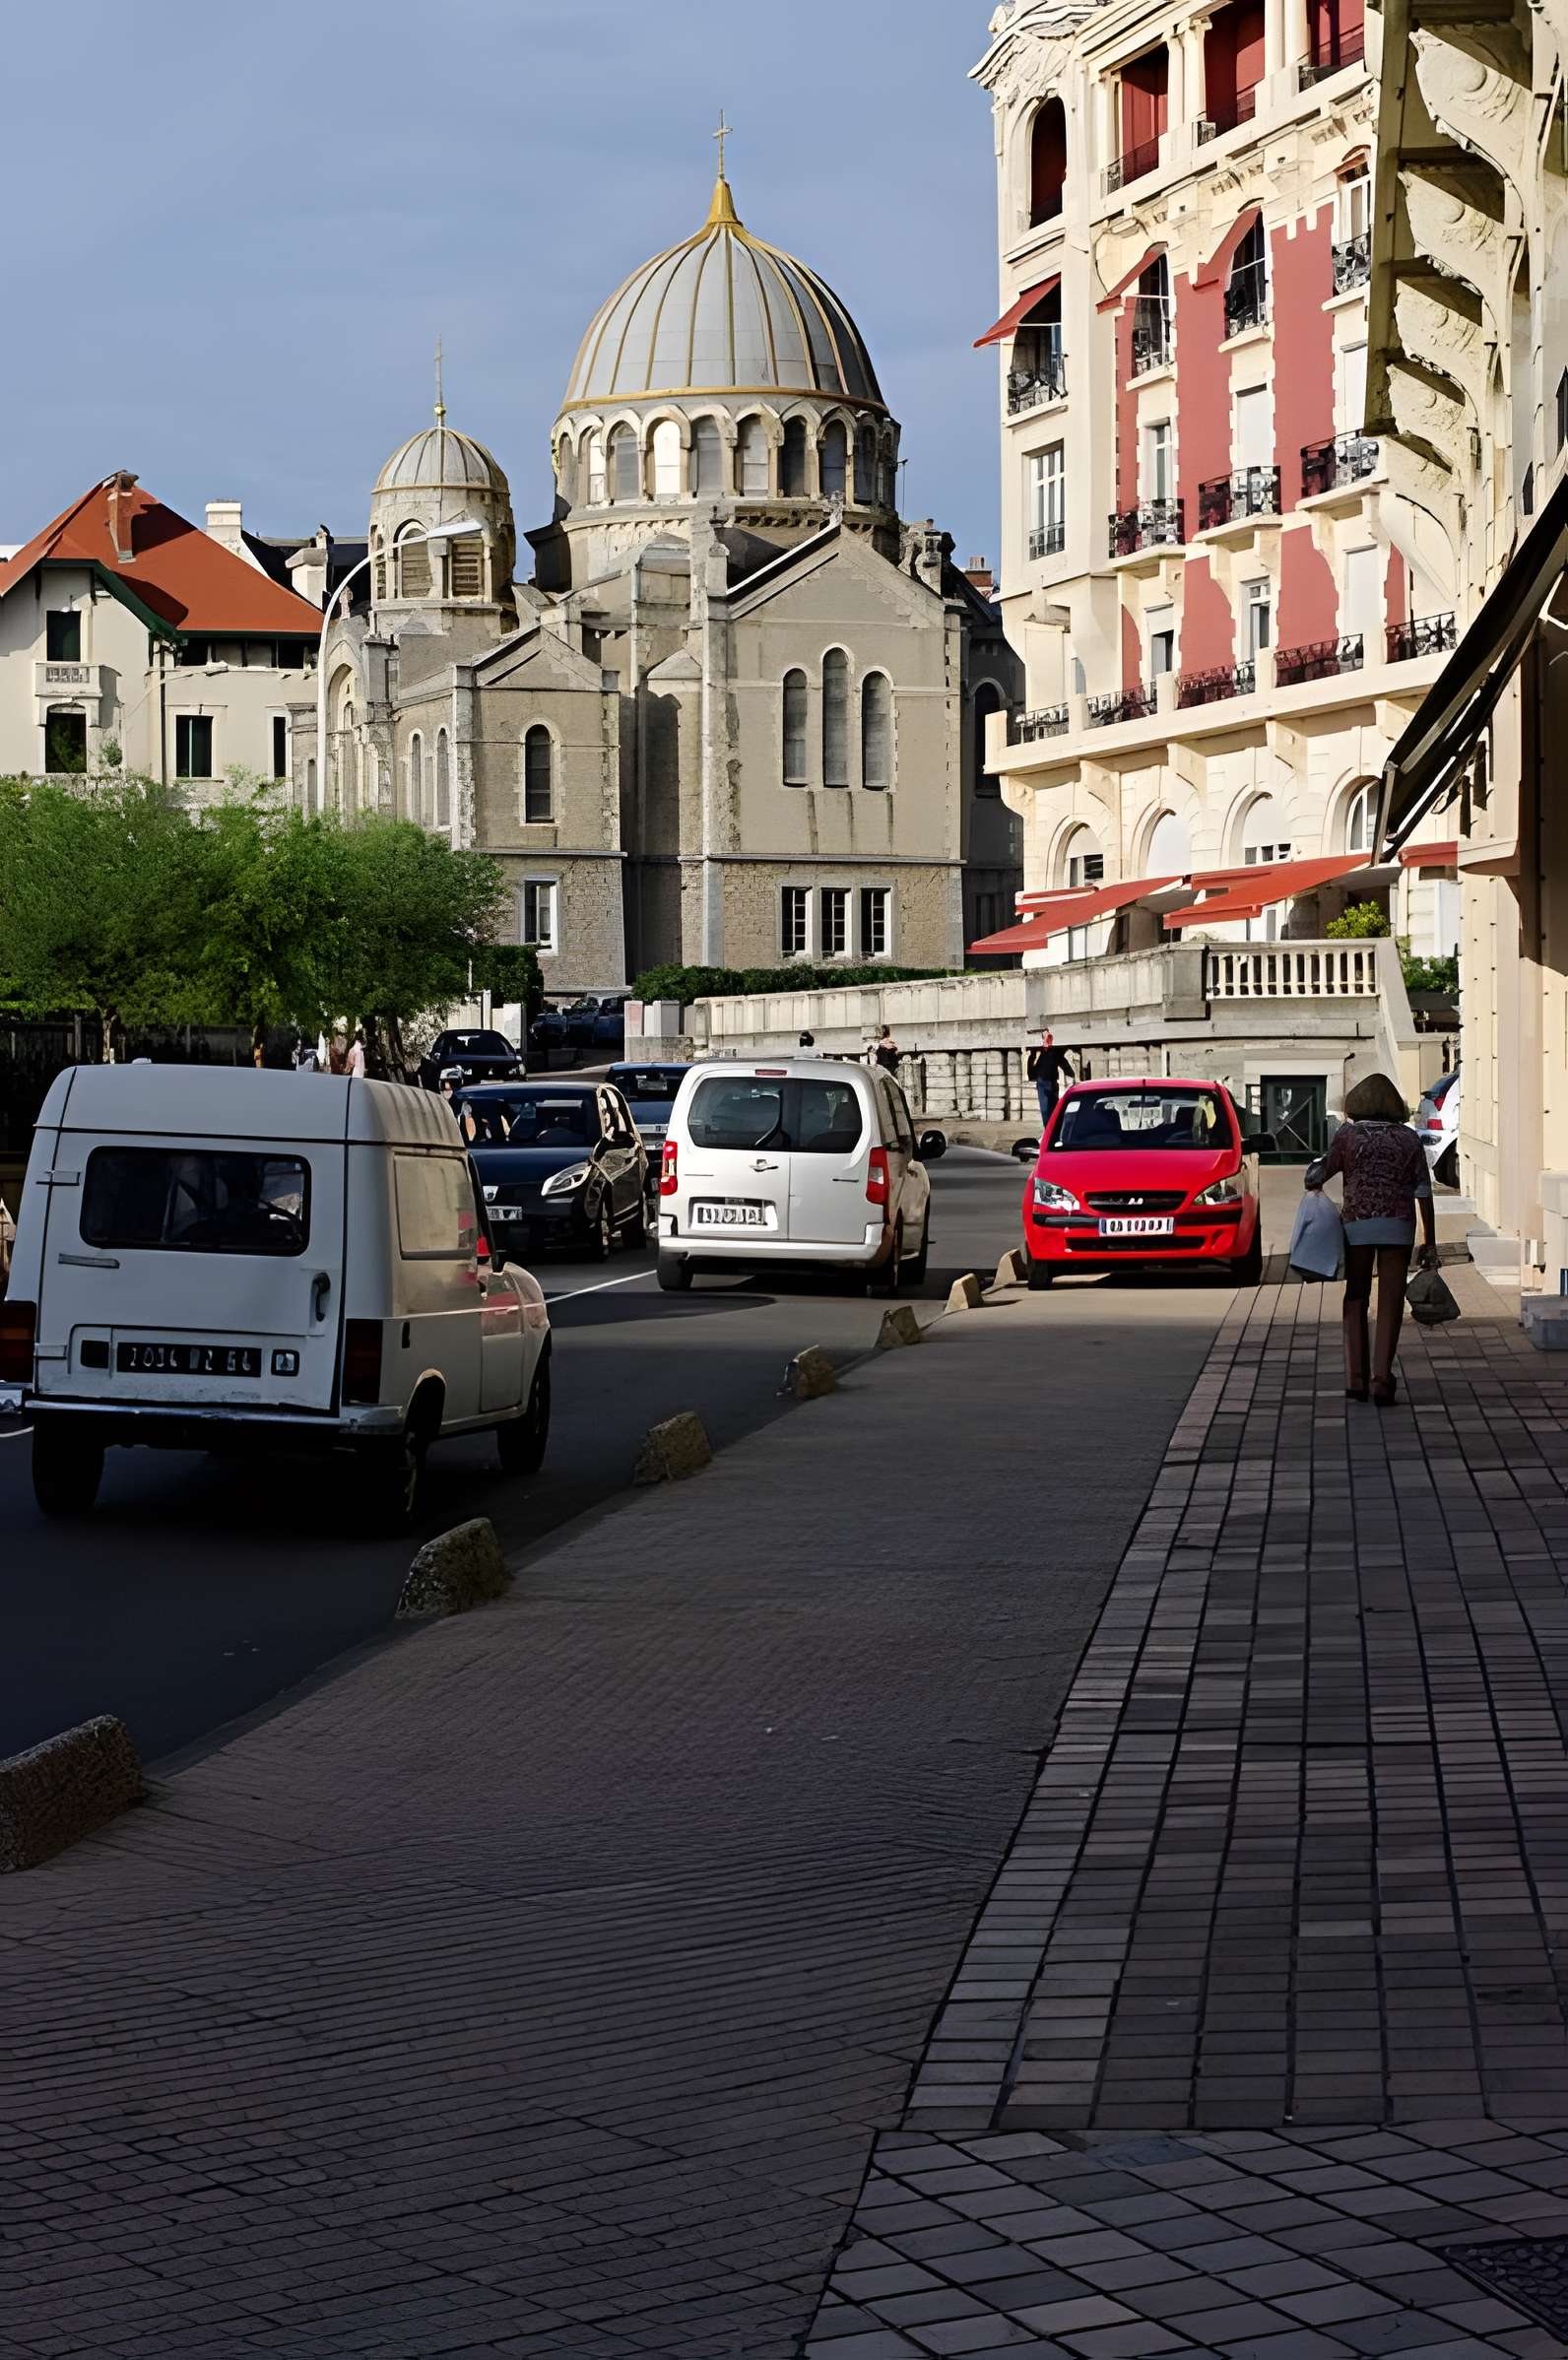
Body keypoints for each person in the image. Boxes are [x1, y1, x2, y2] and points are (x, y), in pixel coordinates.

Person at [1306, 1071, 1437, 1406]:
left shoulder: (1348, 1136)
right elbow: (1423, 1191)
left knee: (1356, 1295)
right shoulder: (1409, 1139)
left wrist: (1315, 1174)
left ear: (1356, 1104)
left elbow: (1321, 1174)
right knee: (1391, 1300)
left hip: (1358, 1224)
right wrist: (1430, 1240)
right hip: (1398, 1224)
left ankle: (1355, 1378)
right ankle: (1381, 1380)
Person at [1026, 1030, 1076, 1132]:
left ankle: (1054, 1130)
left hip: (1052, 1083)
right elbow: (1031, 1062)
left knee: (1053, 1109)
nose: (1048, 1039)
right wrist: (1031, 1075)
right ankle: (1049, 1130)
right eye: (1046, 1037)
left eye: (1049, 1037)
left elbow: (1063, 1062)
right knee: (1046, 1110)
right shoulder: (1038, 1052)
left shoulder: (1054, 1052)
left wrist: (1071, 1074)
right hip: (1043, 1084)